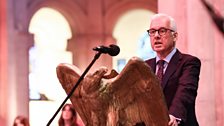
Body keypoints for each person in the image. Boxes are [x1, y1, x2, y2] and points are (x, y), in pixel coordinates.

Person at [145, 13, 201, 126]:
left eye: (162, 31)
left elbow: (185, 91)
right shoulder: (145, 66)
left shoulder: (189, 62)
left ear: (174, 36)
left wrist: (174, 115)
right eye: (152, 31)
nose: (156, 36)